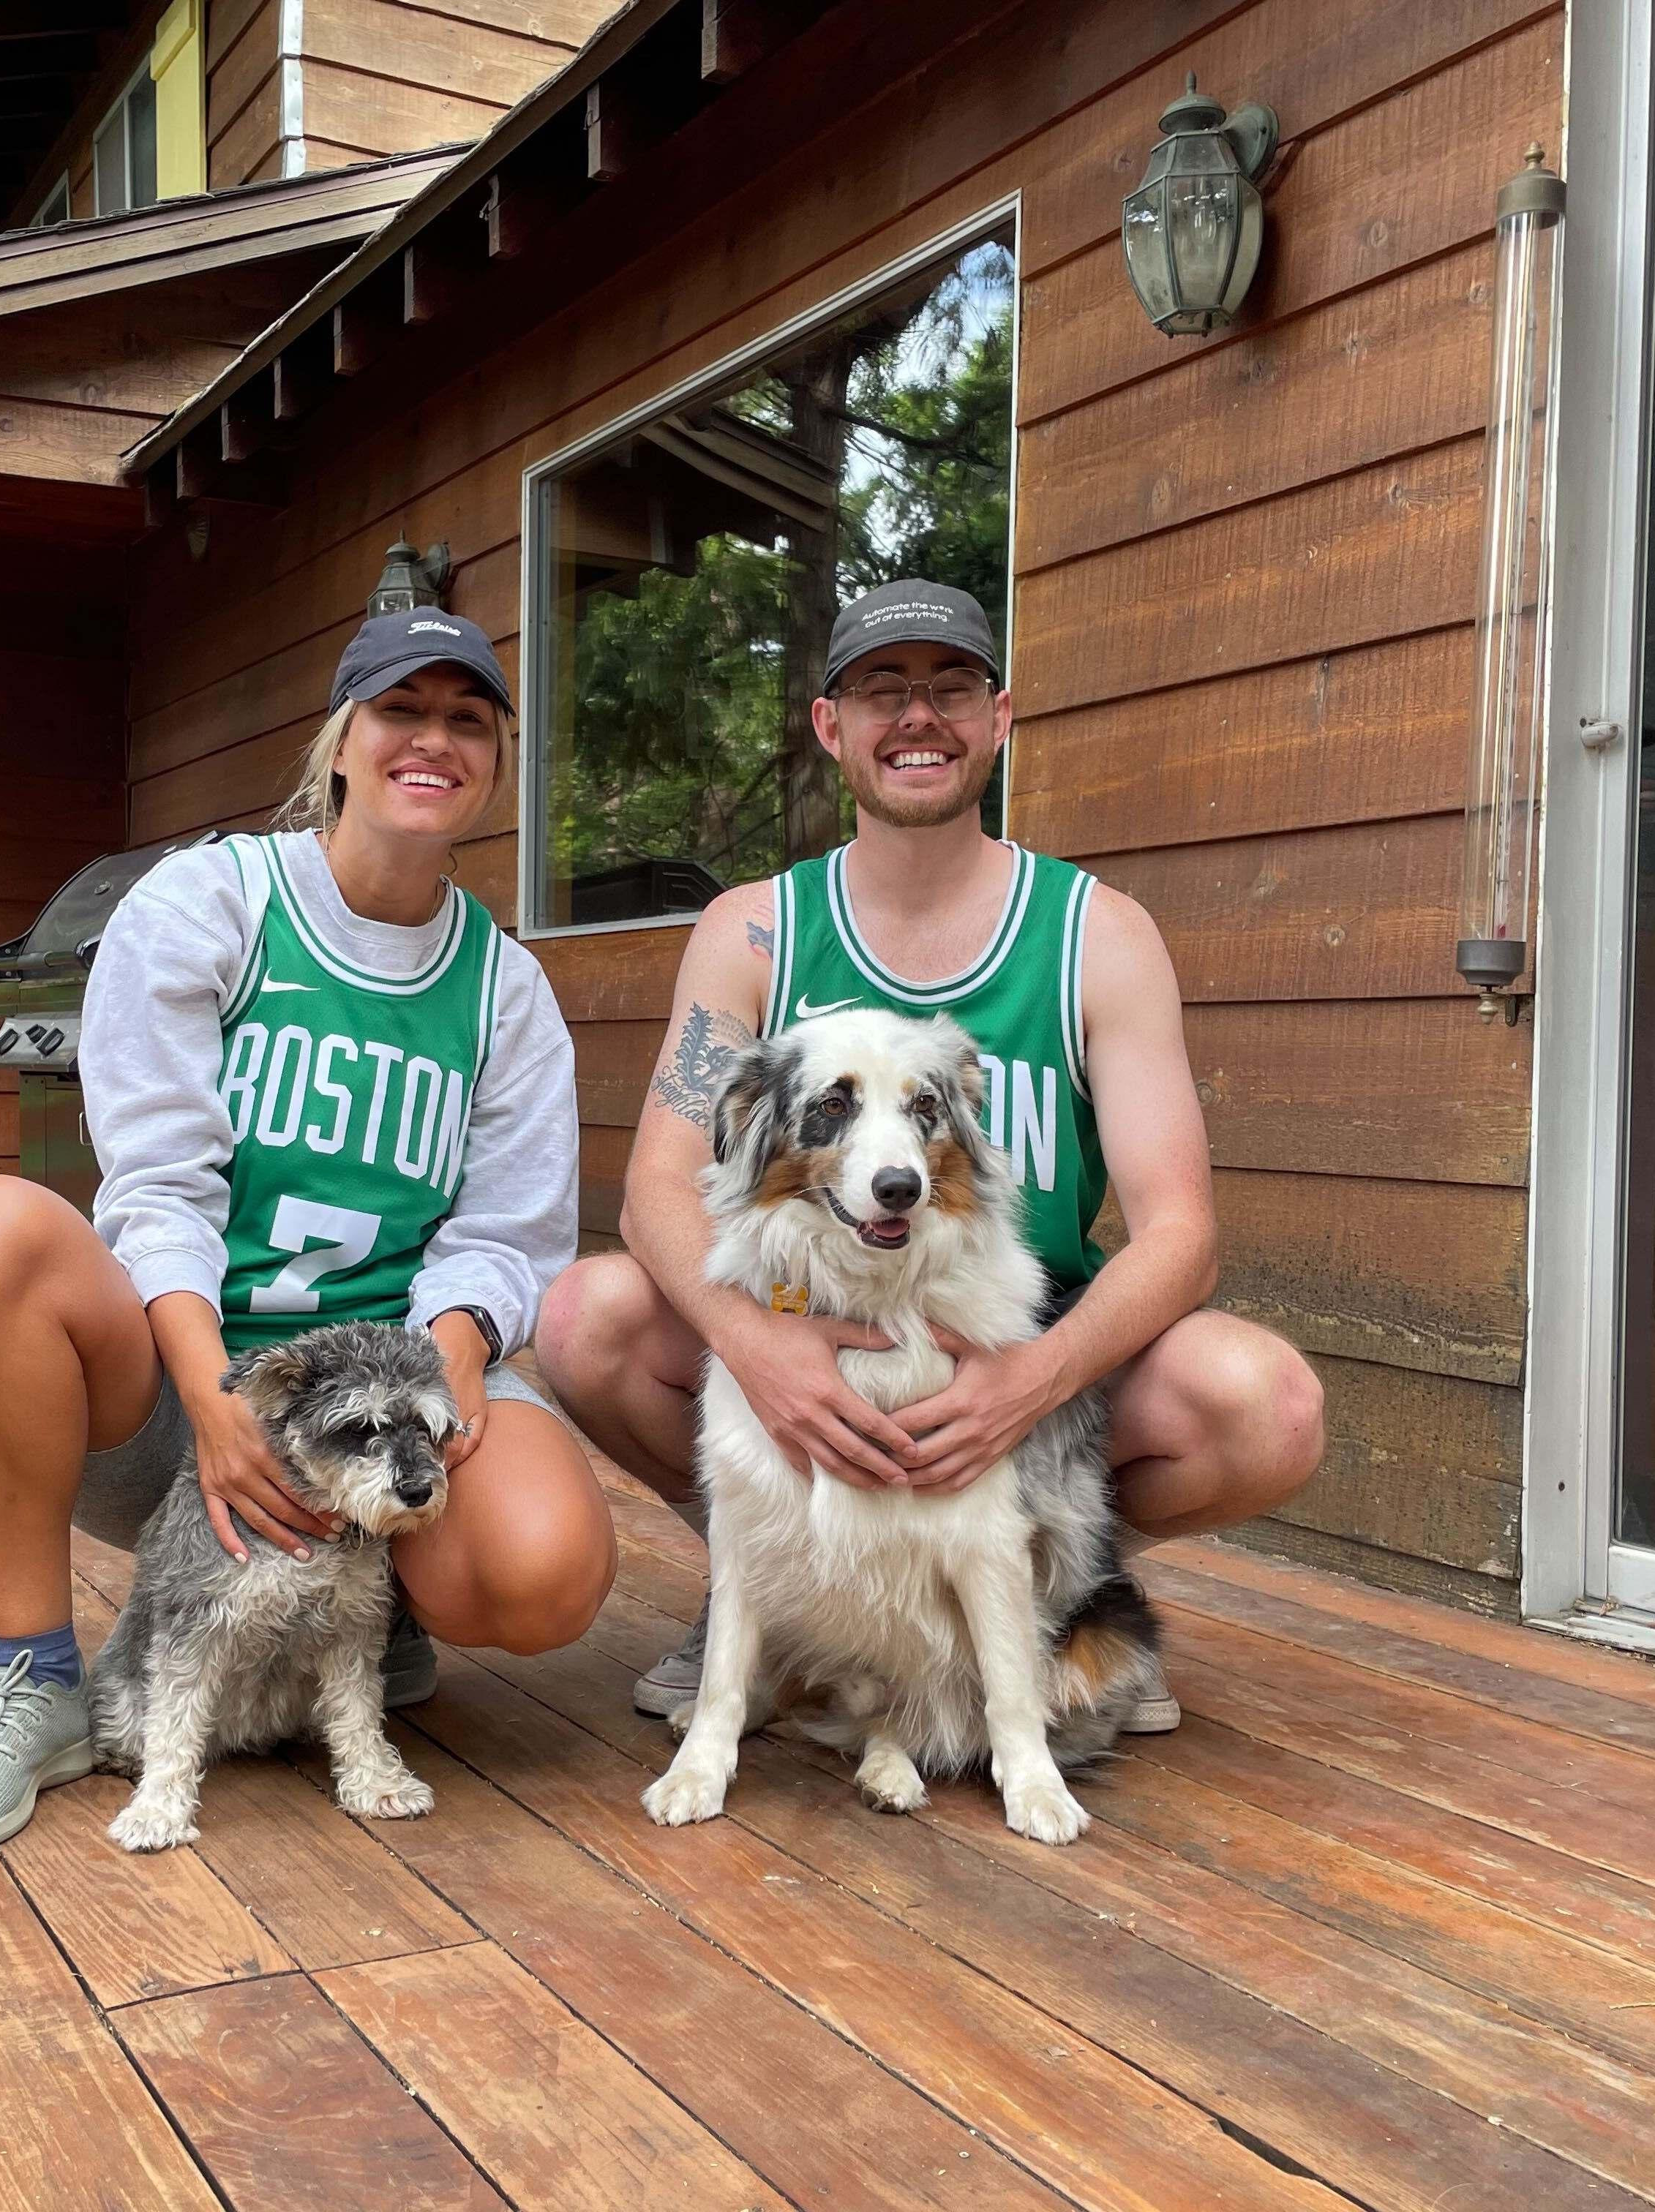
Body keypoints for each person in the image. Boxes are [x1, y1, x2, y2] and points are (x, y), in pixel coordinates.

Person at [0, 606, 615, 1859]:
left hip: (382, 1397)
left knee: (544, 1569)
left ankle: (369, 1610)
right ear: (341, 739)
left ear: (492, 760)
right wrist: (217, 1404)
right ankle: (34, 1679)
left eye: (466, 721)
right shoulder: (212, 902)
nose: (431, 741)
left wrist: (445, 1365)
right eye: (401, 711)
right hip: (187, 1389)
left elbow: (507, 1229)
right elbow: (159, 1183)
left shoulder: (505, 987)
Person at [537, 579, 1324, 1729]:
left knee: (1269, 1404)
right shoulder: (754, 929)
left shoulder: (1098, 932)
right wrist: (762, 1353)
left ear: (998, 719)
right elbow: (660, 1185)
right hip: (813, 1317)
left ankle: (1051, 1580)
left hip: (1024, 1331)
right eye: (881, 691)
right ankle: (780, 1587)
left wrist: (1027, 1385)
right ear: (830, 728)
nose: (918, 717)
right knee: (585, 1319)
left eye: (950, 688)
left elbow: (1182, 1233)